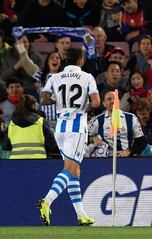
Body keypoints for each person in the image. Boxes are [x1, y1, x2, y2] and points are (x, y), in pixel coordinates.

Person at [38, 48, 100, 226]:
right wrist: (82, 106)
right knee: (70, 168)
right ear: (81, 60)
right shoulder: (87, 77)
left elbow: (43, 99)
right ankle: (47, 201)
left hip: (60, 128)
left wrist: (60, 101)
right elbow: (96, 102)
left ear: (65, 59)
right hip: (76, 127)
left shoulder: (54, 77)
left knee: (74, 170)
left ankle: (81, 214)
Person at [87, 91, 147, 157]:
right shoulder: (97, 120)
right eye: (109, 99)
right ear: (104, 103)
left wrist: (129, 151)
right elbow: (84, 137)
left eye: (114, 98)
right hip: (103, 159)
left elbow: (141, 142)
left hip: (126, 159)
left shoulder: (131, 118)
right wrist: (92, 138)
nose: (112, 101)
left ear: (118, 101)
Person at [2, 95, 57, 159]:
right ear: (33, 106)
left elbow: (5, 146)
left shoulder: (12, 124)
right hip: (39, 162)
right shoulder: (41, 122)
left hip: (16, 163)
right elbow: (51, 145)